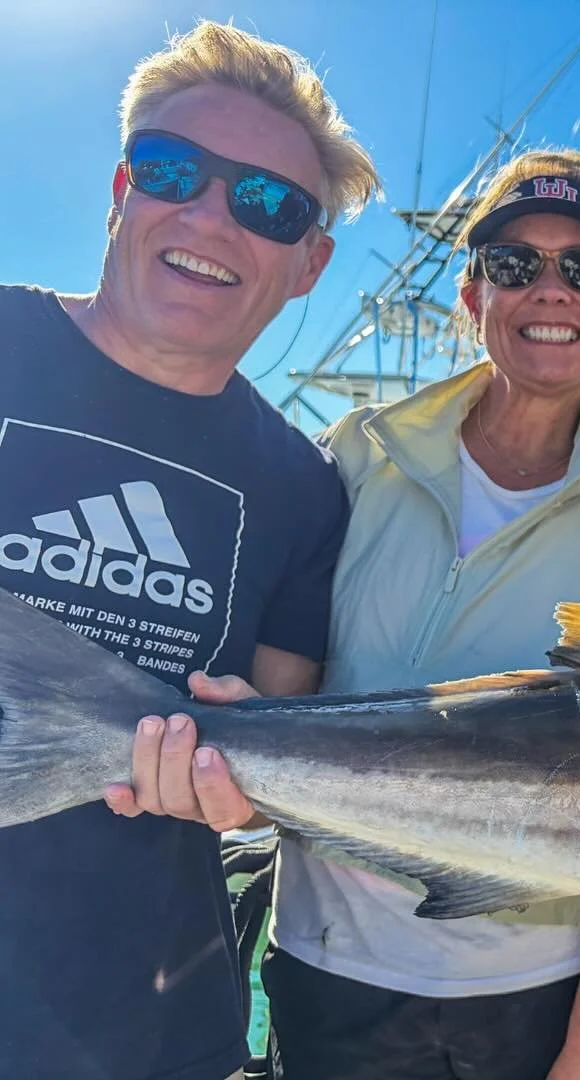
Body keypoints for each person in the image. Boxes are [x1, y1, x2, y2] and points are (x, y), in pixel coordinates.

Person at [116, 148, 580, 1080]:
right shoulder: (355, 455)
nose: (552, 291)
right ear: (471, 295)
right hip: (326, 973)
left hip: (538, 997)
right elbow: (289, 677)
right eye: (516, 265)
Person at [0, 19, 378, 1080]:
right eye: (176, 170)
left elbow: (271, 729)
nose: (212, 214)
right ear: (124, 186)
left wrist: (246, 776)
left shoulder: (303, 487)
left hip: (153, 1032)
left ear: (309, 265)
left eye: (268, 203)